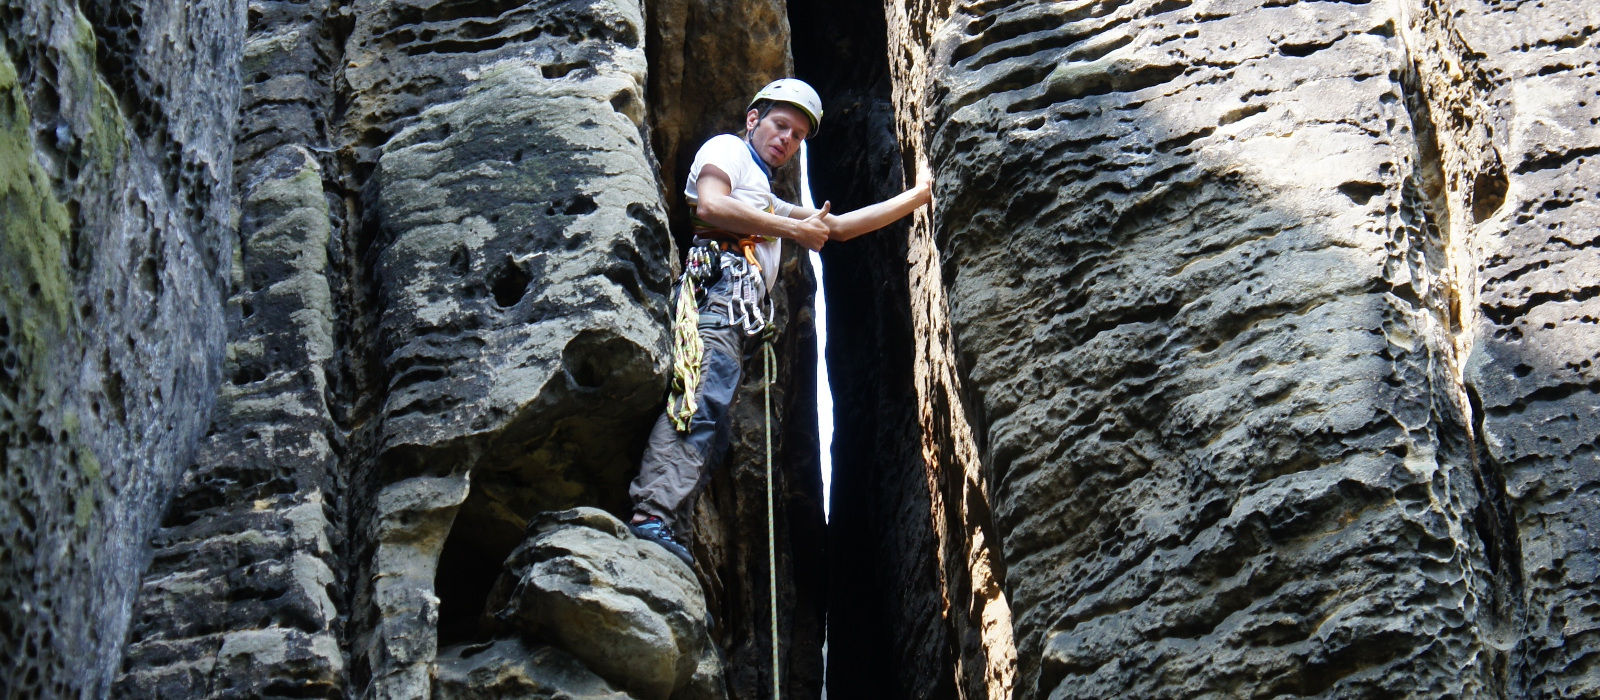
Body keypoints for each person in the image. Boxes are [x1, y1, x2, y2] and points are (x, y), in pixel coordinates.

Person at [627, 78, 933, 564]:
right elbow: (710, 203)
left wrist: (918, 196)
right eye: (780, 125)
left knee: (713, 424)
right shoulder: (727, 149)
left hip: (735, 313)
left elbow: (836, 228)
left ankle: (668, 530)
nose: (786, 140)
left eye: (797, 138)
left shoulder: (764, 192)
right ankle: (652, 517)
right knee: (699, 401)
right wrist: (792, 228)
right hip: (716, 299)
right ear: (754, 120)